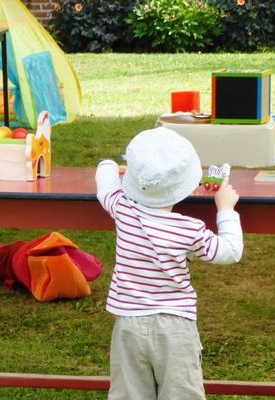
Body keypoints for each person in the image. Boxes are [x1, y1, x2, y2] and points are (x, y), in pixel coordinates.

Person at [95, 127, 243, 400]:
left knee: (129, 394)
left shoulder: (122, 209)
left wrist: (108, 163)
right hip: (175, 327)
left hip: (128, 325)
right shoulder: (189, 229)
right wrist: (225, 209)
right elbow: (230, 251)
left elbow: (105, 181)